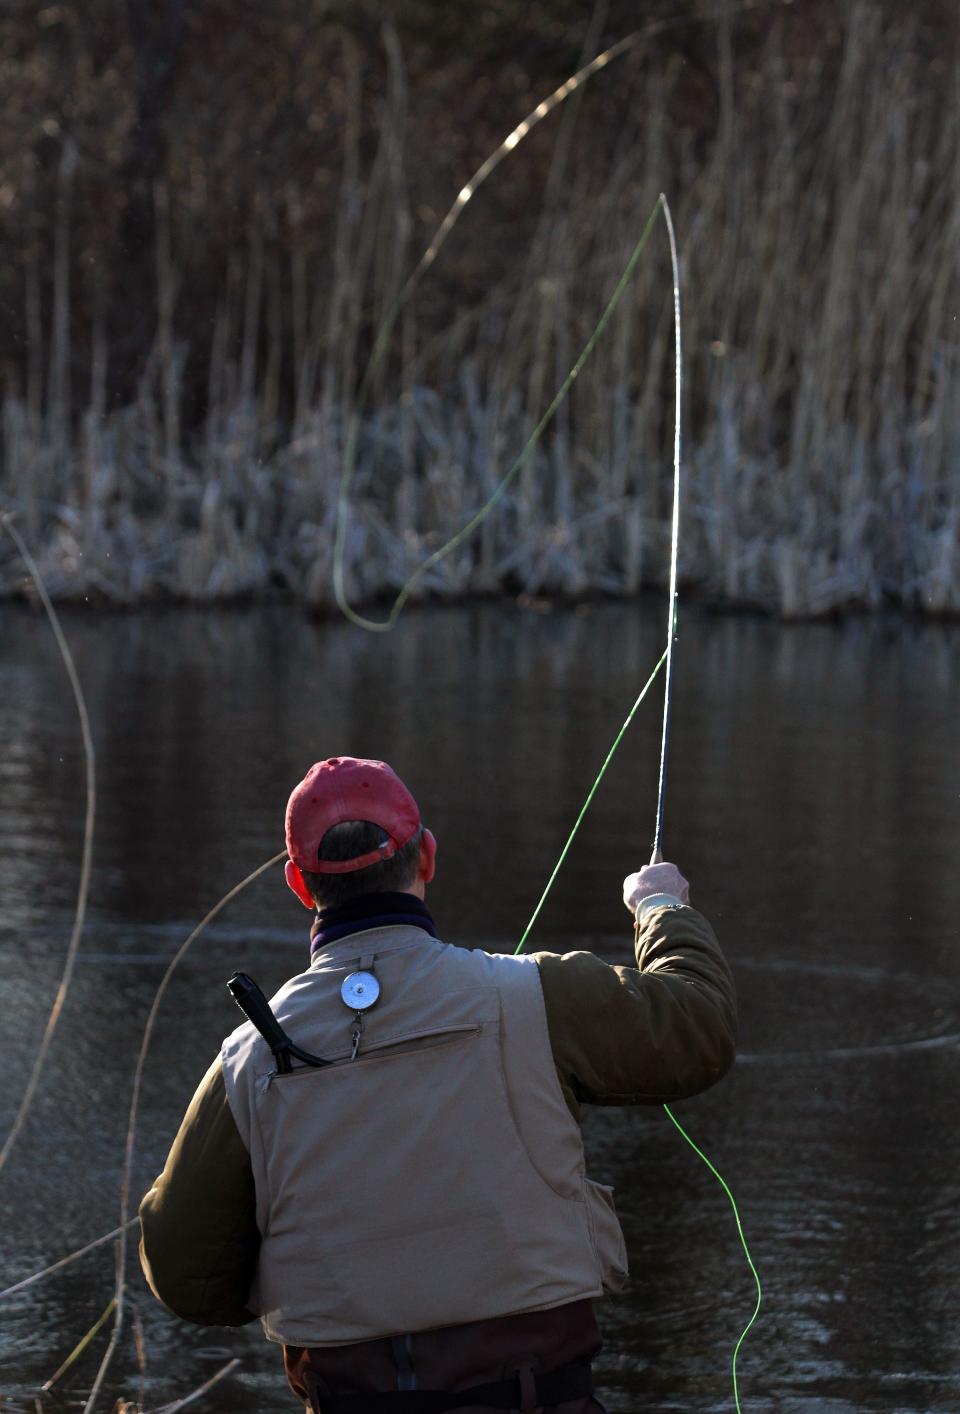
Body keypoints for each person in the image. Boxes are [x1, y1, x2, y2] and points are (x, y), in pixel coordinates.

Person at [139, 755, 736, 1413]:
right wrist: (659, 907)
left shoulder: (244, 1060)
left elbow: (184, 1276)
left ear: (299, 885)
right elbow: (697, 1027)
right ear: (426, 857)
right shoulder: (534, 995)